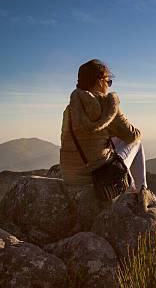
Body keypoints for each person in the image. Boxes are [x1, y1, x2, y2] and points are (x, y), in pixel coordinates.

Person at [60, 59, 151, 211]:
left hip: (70, 175)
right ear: (99, 81)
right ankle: (141, 191)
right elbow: (132, 136)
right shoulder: (107, 105)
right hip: (96, 177)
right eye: (108, 81)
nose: (108, 86)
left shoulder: (70, 109)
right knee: (137, 143)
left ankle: (135, 189)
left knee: (114, 139)